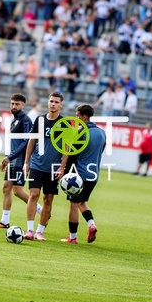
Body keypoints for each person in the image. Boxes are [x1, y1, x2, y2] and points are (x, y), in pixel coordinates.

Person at [0, 93, 42, 228]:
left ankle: (42, 211)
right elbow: (15, 143)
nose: (14, 106)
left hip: (21, 160)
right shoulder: (14, 120)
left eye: (17, 104)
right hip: (13, 160)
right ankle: (4, 221)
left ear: (23, 105)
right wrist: (8, 157)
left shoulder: (25, 120)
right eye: (12, 103)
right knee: (6, 188)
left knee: (17, 191)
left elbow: (26, 142)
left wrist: (10, 157)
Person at [59, 104, 106, 244]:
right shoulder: (102, 133)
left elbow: (73, 154)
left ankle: (72, 237)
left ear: (84, 116)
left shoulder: (81, 132)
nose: (76, 118)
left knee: (74, 204)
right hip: (94, 174)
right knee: (82, 202)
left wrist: (65, 172)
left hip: (79, 175)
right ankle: (92, 225)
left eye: (77, 115)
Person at [22, 92, 65, 240]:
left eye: (56, 102)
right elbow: (32, 141)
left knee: (48, 199)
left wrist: (62, 167)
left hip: (53, 167)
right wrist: (26, 162)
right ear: (48, 102)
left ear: (61, 105)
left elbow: (67, 147)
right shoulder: (40, 120)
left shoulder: (64, 124)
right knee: (33, 195)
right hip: (37, 165)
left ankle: (40, 232)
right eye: (51, 101)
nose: (53, 104)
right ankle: (29, 230)